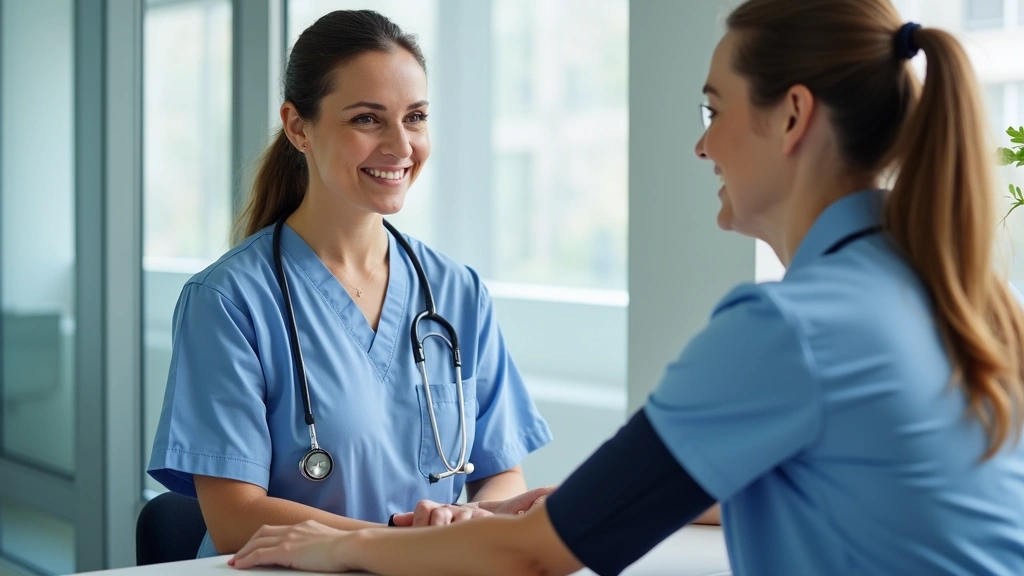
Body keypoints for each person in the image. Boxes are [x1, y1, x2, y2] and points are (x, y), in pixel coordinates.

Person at [227, 0, 1024, 574]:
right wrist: (567, 499)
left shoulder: (792, 327)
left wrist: (346, 546)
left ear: (792, 118)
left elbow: (536, 556)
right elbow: (842, 476)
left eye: (715, 108)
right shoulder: (959, 293)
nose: (702, 142)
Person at [146, 9, 554, 557]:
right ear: (298, 127)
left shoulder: (458, 292)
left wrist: (481, 516)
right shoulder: (228, 301)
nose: (401, 146)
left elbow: (502, 474)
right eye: (367, 119)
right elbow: (234, 518)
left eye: (415, 117)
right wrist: (405, 543)